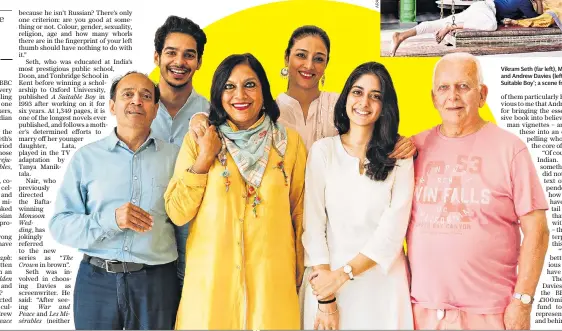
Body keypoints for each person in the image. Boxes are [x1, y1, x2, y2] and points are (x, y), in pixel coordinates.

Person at [407, 53, 549, 330]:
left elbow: (538, 231)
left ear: (482, 95)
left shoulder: (510, 149)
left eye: (463, 86)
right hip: (422, 312)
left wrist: (522, 302)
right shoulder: (413, 148)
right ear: (433, 98)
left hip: (491, 313)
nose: (453, 96)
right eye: (444, 88)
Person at [164, 53, 306, 329]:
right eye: (229, 86)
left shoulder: (289, 144)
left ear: (264, 91)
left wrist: (299, 279)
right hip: (212, 288)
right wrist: (204, 158)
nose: (239, 95)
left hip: (271, 288)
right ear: (218, 94)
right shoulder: (199, 139)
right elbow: (177, 212)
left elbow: (301, 216)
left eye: (250, 85)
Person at [49, 72, 181, 330]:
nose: (137, 101)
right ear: (112, 106)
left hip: (157, 283)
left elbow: (186, 223)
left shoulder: (176, 158)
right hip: (97, 281)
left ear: (155, 109)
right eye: (127, 94)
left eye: (146, 96)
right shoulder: (86, 158)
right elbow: (59, 225)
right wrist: (112, 220)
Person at [301, 62, 414, 330]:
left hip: (383, 286)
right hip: (327, 286)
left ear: (385, 105)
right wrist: (326, 296)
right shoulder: (323, 151)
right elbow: (313, 226)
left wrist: (344, 274)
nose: (364, 102)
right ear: (346, 97)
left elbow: (392, 231)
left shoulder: (400, 156)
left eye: (376, 96)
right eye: (357, 92)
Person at [190, 25, 416, 155]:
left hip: (334, 213)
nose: (309, 66)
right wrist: (198, 118)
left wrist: (404, 144)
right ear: (287, 57)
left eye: (318, 59)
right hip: (279, 214)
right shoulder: (265, 107)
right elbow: (228, 119)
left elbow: (375, 132)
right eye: (301, 55)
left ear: (326, 63)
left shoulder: (343, 105)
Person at [152, 15, 210, 285]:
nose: (179, 62)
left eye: (189, 55)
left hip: (196, 242)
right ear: (156, 57)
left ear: (198, 62)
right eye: (171, 52)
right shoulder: (136, 109)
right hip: (148, 246)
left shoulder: (213, 114)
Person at [390, 0, 541, 56]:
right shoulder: (525, 2)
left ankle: (401, 35)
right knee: (491, 26)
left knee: (438, 23)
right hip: (486, 11)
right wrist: (539, 2)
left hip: (481, 8)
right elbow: (536, 18)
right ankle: (451, 26)